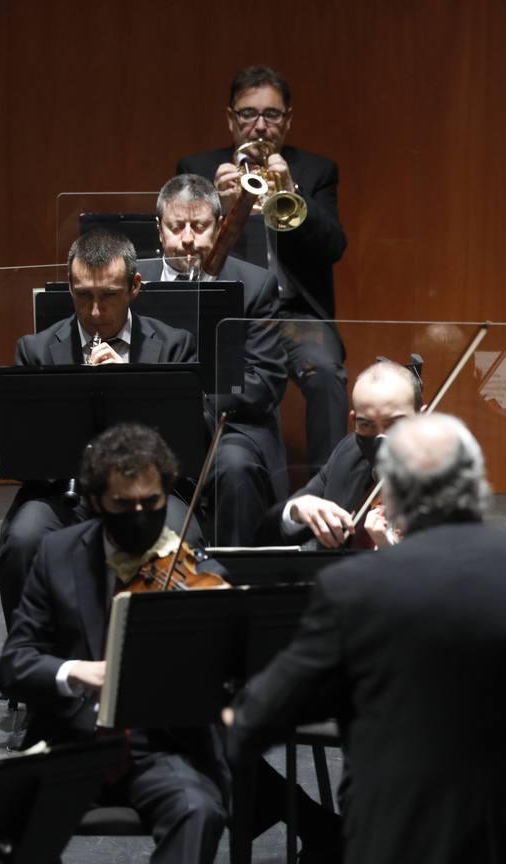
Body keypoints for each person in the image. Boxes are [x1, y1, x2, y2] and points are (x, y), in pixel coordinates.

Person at [224, 414, 506, 864]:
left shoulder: (350, 590)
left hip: (403, 857)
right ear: (478, 487)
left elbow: (261, 717)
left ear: (392, 496)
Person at [0, 423, 340, 864]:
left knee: (197, 809)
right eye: (124, 506)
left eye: (152, 505)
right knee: (9, 818)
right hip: (73, 746)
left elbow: (240, 673)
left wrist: (226, 629)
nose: (140, 516)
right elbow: (13, 665)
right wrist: (75, 672)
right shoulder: (56, 557)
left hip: (161, 750)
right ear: (97, 502)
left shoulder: (191, 566)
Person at [0, 228, 198, 632]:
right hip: (64, 493)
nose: (94, 311)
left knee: (180, 535)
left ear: (135, 286)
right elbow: (21, 452)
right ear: (69, 285)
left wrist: (127, 384)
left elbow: (193, 437)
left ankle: (166, 654)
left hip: (147, 490)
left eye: (108, 295)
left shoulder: (175, 346)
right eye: (83, 294)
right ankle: (36, 660)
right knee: (23, 539)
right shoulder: (35, 350)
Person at [177, 64, 349, 470]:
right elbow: (181, 256)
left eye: (271, 115)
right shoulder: (196, 169)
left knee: (326, 375)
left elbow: (333, 247)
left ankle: (332, 497)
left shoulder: (315, 171)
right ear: (230, 119)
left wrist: (291, 193)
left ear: (288, 121)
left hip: (295, 317)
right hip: (226, 313)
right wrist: (213, 206)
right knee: (210, 383)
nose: (259, 126)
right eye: (248, 114)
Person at [140, 174, 290, 546]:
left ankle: (234, 589)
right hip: (150, 428)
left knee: (235, 468)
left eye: (199, 226)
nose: (187, 238)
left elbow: (264, 383)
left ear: (220, 227)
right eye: (176, 227)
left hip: (230, 428)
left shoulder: (255, 285)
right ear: (160, 230)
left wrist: (188, 402)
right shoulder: (132, 282)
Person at [254, 359, 424, 549]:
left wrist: (391, 552)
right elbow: (266, 533)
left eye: (395, 423)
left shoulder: (450, 478)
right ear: (354, 421)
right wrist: (295, 511)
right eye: (366, 424)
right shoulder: (349, 452)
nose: (381, 439)